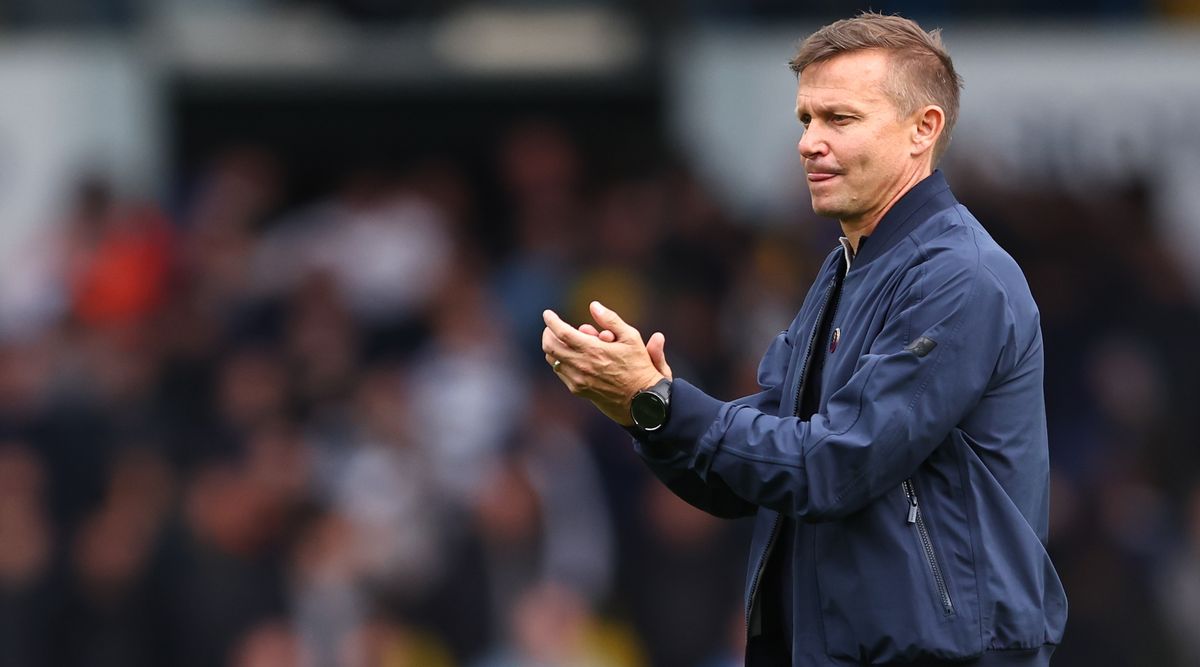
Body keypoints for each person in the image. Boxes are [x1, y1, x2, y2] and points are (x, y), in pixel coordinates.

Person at [540, 11, 1067, 667]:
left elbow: (831, 466)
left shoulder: (961, 276)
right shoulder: (846, 267)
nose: (809, 143)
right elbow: (753, 472)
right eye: (806, 120)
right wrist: (643, 406)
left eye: (839, 119)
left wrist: (665, 402)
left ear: (922, 130)